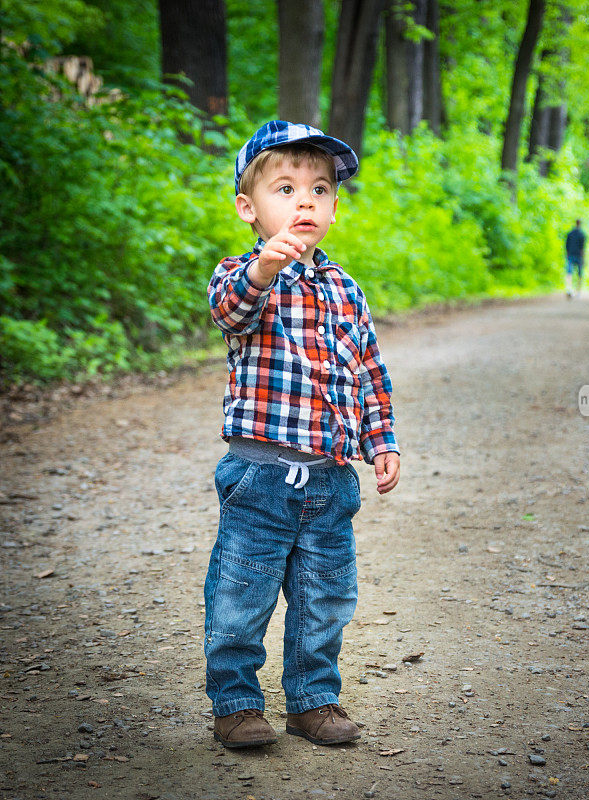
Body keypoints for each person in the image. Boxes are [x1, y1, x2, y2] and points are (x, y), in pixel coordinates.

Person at [204, 120, 400, 749]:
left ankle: (313, 699)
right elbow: (231, 310)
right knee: (241, 592)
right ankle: (236, 703)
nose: (305, 201)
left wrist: (382, 442)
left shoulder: (346, 290)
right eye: (284, 189)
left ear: (335, 207)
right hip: (260, 475)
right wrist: (262, 268)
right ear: (249, 208)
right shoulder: (242, 275)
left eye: (319, 189)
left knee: (325, 597)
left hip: (331, 480)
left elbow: (367, 373)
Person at [564, 218, 586, 298]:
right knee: (579, 274)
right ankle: (578, 291)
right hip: (578, 256)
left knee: (569, 272)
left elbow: (566, 245)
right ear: (580, 224)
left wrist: (567, 254)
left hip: (570, 255)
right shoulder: (582, 234)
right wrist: (583, 258)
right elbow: (582, 248)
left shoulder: (570, 233)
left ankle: (569, 289)